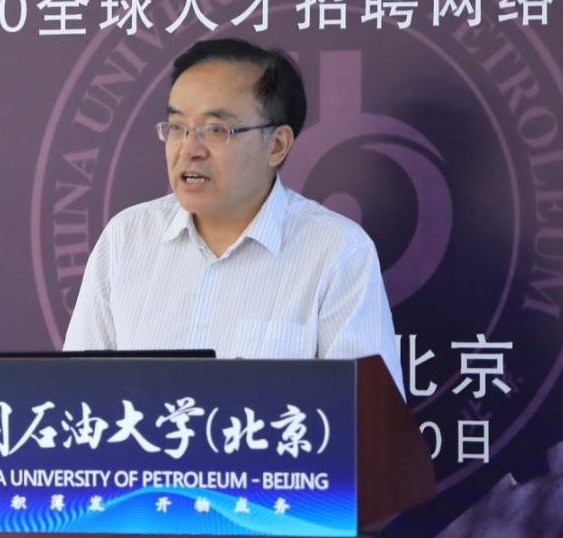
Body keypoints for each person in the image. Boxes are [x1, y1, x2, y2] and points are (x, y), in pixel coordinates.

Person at [63, 37, 404, 396]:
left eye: (216, 130)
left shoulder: (338, 252)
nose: (189, 150)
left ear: (277, 145)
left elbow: (368, 415)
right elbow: (74, 394)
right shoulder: (126, 238)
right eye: (177, 127)